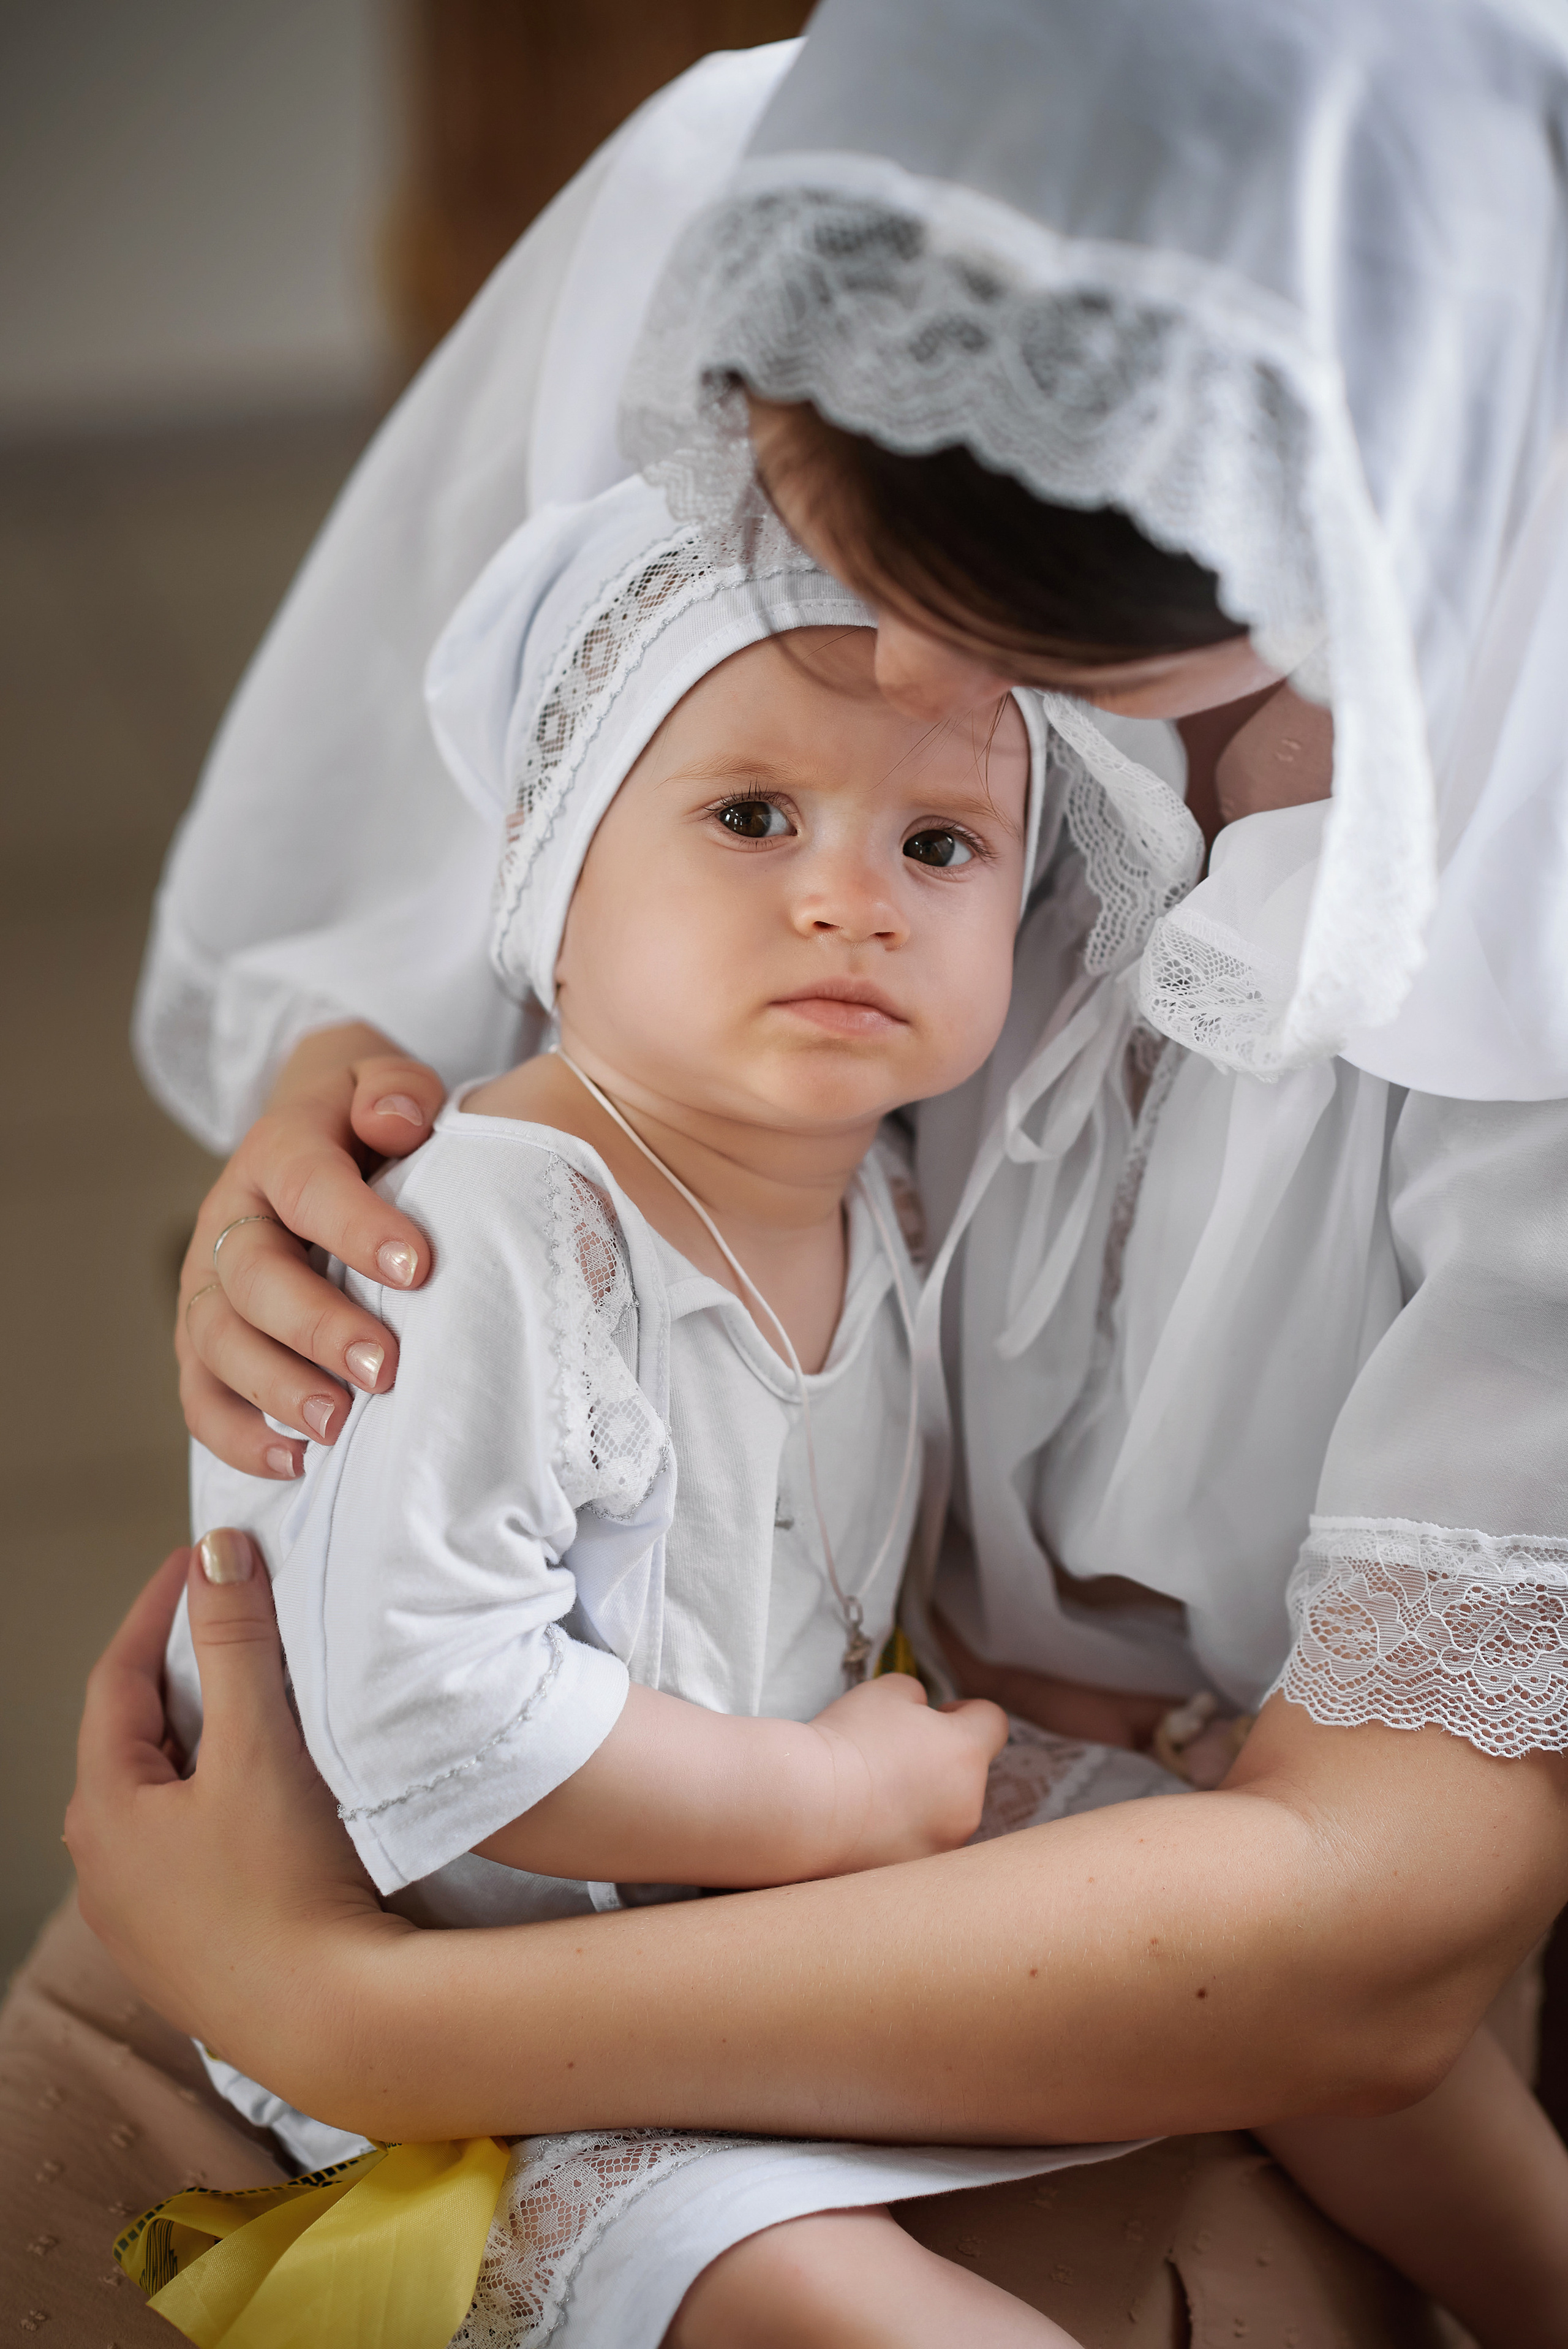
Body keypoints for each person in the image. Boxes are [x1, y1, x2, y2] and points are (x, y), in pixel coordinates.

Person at [43, 0, 1568, 2342]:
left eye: (967, 808)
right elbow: (492, 911)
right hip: (616, 1854)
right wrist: (336, 1116)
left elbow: (1372, 1918)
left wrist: (363, 1994)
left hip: (1026, 1779)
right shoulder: (763, 234)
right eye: (769, 790)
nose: (906, 701)